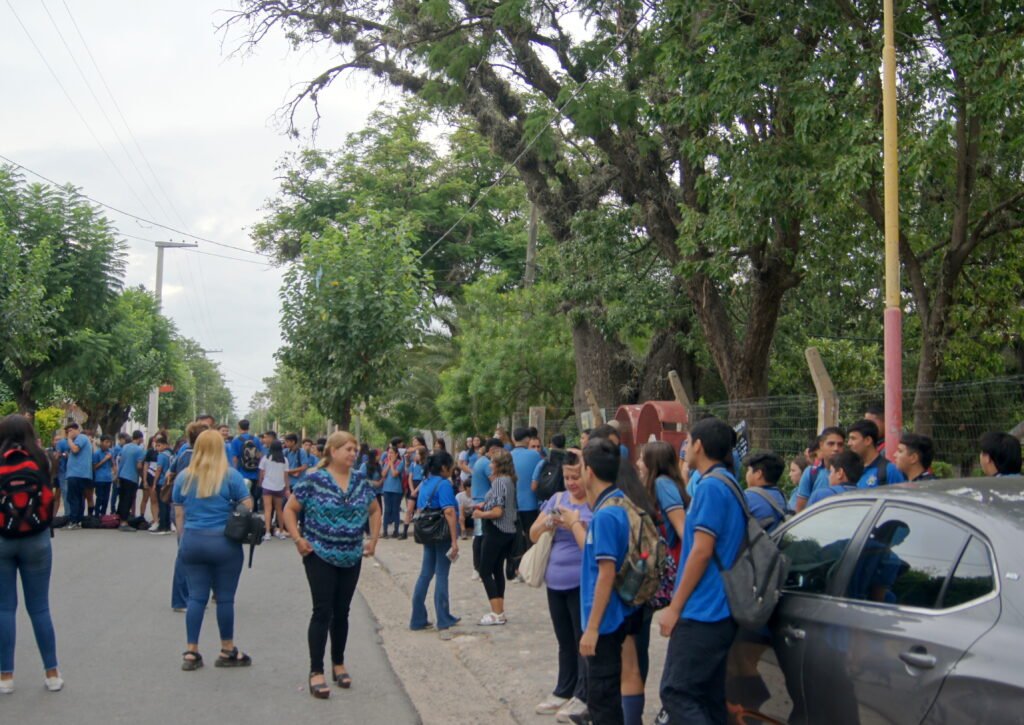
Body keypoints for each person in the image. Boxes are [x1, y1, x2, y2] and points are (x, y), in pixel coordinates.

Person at [659, 417, 746, 724]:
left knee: (676, 692)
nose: (683, 447)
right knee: (709, 697)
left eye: (687, 441)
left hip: (704, 610)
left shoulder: (711, 487)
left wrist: (675, 607)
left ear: (699, 445)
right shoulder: (729, 483)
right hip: (721, 609)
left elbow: (701, 551)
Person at [282, 431, 381, 699]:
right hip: (320, 553)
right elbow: (290, 509)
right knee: (322, 611)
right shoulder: (314, 479)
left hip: (351, 554)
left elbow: (374, 509)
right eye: (348, 449)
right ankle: (316, 671)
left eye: (355, 449)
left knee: (342, 611)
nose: (353, 453)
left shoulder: (360, 480)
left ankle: (338, 663)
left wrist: (373, 539)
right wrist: (298, 539)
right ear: (333, 451)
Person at [172, 429, 254, 672]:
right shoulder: (231, 476)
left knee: (196, 597)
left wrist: (183, 541)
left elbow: (179, 513)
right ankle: (227, 649)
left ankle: (191, 651)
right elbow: (247, 505)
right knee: (225, 598)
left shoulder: (184, 477)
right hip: (224, 543)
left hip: (193, 540)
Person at [0, 414, 62, 693]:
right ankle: (51, 673)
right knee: (39, 607)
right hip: (37, 538)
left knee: (4, 609)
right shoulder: (43, 459)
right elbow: (52, 497)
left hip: (2, 538)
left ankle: (6, 677)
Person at [575, 438, 635, 725]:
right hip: (608, 620)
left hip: (605, 623)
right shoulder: (614, 504)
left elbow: (606, 573)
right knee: (605, 700)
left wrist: (593, 629)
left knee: (603, 703)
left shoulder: (606, 515)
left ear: (590, 472)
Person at [528, 450, 591, 722]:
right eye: (566, 477)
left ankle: (582, 693)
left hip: (581, 582)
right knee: (564, 640)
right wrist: (546, 523)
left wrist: (573, 522)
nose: (571, 482)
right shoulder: (557, 499)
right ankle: (563, 688)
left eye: (575, 476)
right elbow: (532, 533)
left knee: (581, 640)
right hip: (555, 580)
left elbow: (591, 546)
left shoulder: (594, 504)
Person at [409, 451, 461, 638]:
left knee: (425, 573)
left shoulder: (425, 482)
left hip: (427, 532)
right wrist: (454, 541)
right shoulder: (444, 484)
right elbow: (449, 512)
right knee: (441, 574)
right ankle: (443, 617)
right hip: (441, 533)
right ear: (444, 467)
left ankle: (417, 617)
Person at [472, 448, 518, 626]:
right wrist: (486, 504)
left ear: (498, 465)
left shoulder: (499, 482)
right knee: (497, 570)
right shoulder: (510, 481)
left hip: (496, 530)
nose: (489, 464)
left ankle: (496, 611)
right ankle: (500, 610)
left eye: (492, 461)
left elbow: (498, 511)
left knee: (485, 570)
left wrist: (480, 514)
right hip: (508, 531)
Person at [167, 422, 208, 611]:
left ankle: (188, 598)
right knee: (189, 556)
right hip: (190, 510)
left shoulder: (183, 454)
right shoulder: (198, 458)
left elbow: (170, 473)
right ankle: (184, 599)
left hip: (186, 508)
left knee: (189, 555)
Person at [510, 427, 544, 577]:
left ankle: (516, 568)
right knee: (531, 536)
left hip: (512, 504)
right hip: (530, 502)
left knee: (516, 538)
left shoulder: (507, 456)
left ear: (513, 439)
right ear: (527, 440)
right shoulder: (534, 455)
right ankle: (531, 567)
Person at [791, 427, 844, 512]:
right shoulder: (811, 473)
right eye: (831, 444)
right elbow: (800, 510)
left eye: (840, 444)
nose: (836, 448)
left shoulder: (849, 472)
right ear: (821, 445)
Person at [470, 439, 502, 581]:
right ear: (491, 450)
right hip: (483, 503)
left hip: (480, 501)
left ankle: (479, 568)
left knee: (480, 536)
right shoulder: (487, 464)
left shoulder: (480, 461)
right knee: (481, 537)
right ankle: (479, 568)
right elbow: (496, 481)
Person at [847, 420, 905, 488]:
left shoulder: (889, 470)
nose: (849, 443)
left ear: (868, 440)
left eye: (853, 439)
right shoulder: (853, 470)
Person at [742, 452, 789, 533]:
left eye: (748, 470)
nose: (746, 474)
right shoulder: (782, 497)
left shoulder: (748, 498)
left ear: (758, 474)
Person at [63, 422, 93, 529]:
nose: (68, 434)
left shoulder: (81, 437)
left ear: (76, 429)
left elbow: (75, 450)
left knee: (73, 497)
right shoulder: (81, 439)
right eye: (67, 432)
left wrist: (69, 439)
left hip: (77, 473)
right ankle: (78, 520)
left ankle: (73, 521)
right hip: (80, 474)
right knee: (79, 498)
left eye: (70, 431)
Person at [259, 440, 289, 540]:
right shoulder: (284, 460)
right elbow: (286, 476)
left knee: (268, 509)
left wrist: (260, 483)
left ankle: (267, 532)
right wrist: (287, 488)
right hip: (279, 487)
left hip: (267, 486)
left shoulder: (266, 458)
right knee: (279, 510)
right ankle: (281, 531)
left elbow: (261, 472)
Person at [116, 431, 146, 528]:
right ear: (140, 438)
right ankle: (124, 522)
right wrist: (143, 477)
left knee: (122, 498)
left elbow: (120, 461)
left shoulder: (125, 447)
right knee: (128, 499)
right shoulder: (139, 450)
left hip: (122, 475)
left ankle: (119, 519)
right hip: (131, 477)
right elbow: (139, 466)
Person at [229, 419, 265, 495]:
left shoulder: (235, 440)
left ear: (239, 427)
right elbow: (261, 456)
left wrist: (234, 473)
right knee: (254, 496)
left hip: (242, 473)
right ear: (248, 427)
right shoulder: (256, 439)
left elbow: (235, 459)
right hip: (255, 473)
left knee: (243, 495)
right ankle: (254, 507)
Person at [380, 438, 405, 539]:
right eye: (388, 452)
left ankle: (396, 530)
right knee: (387, 510)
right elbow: (383, 474)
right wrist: (388, 464)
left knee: (395, 510)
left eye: (391, 453)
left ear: (396, 454)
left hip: (396, 490)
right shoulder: (385, 462)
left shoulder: (400, 462)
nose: (389, 454)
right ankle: (385, 531)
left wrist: (392, 463)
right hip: (386, 489)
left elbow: (395, 474)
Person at [150, 435, 173, 534]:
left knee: (162, 504)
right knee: (167, 505)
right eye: (156, 446)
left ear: (164, 445)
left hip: (162, 481)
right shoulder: (170, 455)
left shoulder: (161, 456)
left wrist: (155, 483)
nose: (157, 448)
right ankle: (167, 526)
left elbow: (158, 469)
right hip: (169, 481)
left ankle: (162, 526)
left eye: (159, 445)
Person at [401, 446, 426, 540]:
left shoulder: (425, 465)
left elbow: (424, 479)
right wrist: (412, 490)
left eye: (418, 453)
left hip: (421, 487)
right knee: (409, 510)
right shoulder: (413, 464)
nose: (416, 455)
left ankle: (419, 532)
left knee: (419, 511)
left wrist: (416, 490)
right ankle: (404, 532)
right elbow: (410, 477)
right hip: (413, 486)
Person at [92, 435, 115, 516]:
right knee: (100, 497)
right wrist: (105, 459)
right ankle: (97, 513)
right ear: (101, 442)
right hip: (99, 479)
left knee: (106, 498)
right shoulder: (97, 453)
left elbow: (113, 465)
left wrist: (111, 459)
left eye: (109, 442)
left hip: (108, 478)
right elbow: (94, 467)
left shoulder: (111, 452)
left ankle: (103, 514)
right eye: (106, 442)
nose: (108, 444)